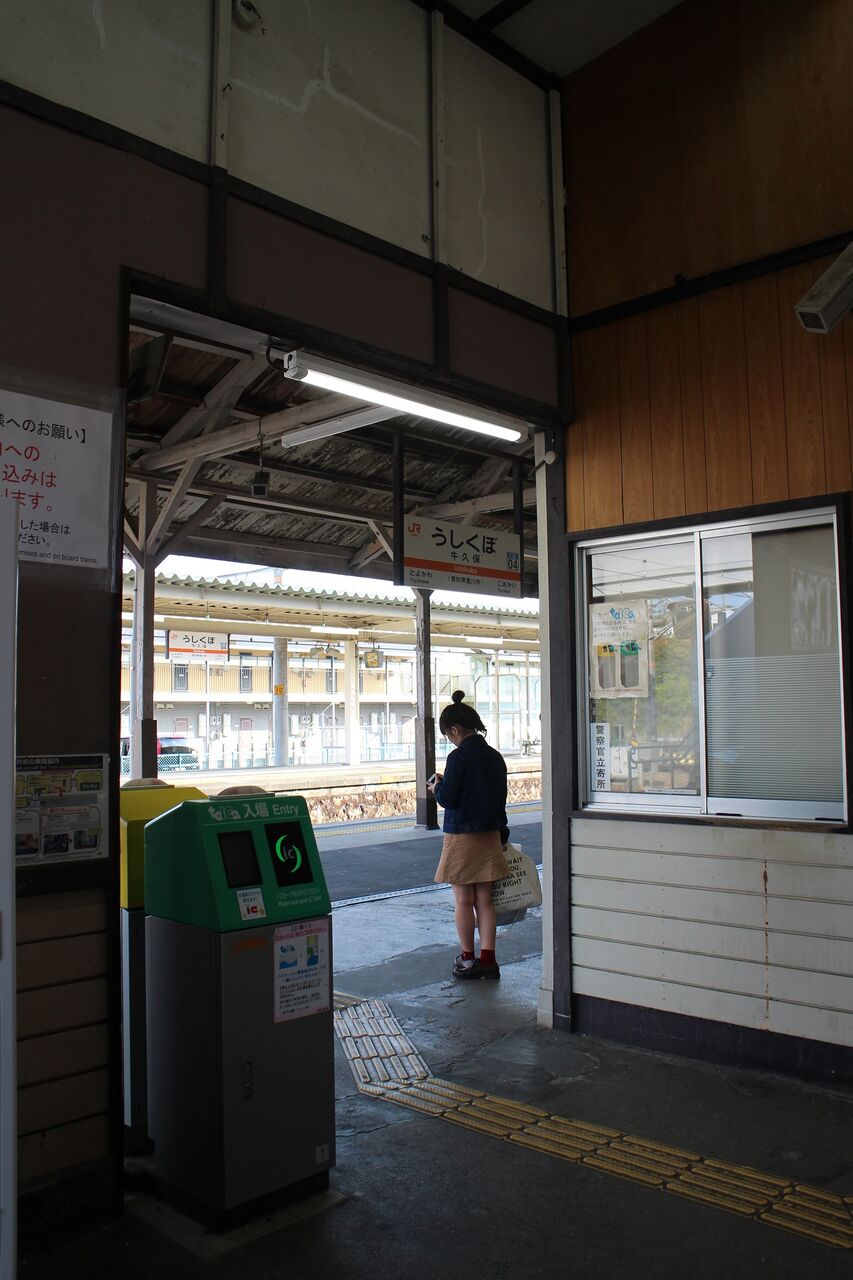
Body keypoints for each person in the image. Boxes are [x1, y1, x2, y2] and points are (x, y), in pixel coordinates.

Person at [428, 690, 510, 980]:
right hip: (490, 835)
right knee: (485, 900)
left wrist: (437, 786)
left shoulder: (458, 758)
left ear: (455, 729)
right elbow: (500, 799)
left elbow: (449, 799)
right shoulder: (495, 757)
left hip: (462, 837)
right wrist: (503, 833)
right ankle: (488, 959)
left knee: (463, 900)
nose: (449, 739)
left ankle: (467, 958)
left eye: (448, 734)